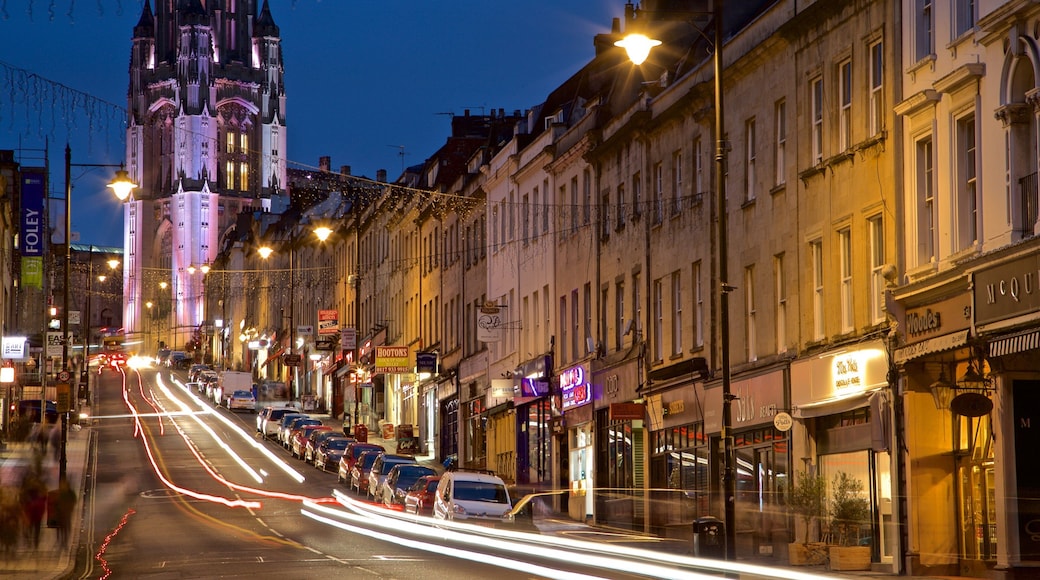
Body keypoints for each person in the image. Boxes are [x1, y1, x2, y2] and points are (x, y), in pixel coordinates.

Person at [53, 478, 77, 547]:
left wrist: (70, 507)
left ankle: (64, 540)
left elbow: (74, 500)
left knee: (66, 526)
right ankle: (61, 540)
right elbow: (55, 502)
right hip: (60, 512)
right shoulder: (60, 493)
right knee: (61, 527)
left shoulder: (70, 493)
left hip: (66, 512)